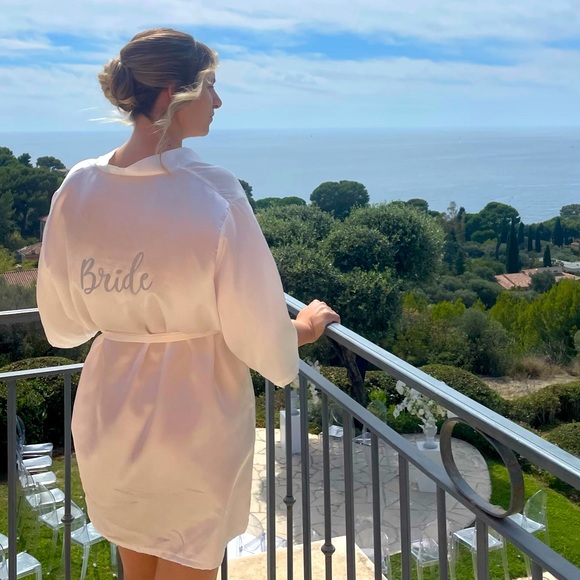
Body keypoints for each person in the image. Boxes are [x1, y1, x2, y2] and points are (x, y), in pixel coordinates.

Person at [36, 28, 339, 580]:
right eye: (211, 87)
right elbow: (255, 326)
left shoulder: (77, 186)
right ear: (174, 92)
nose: (218, 102)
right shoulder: (211, 191)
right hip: (195, 414)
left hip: (109, 411)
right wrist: (303, 326)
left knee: (137, 565)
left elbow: (62, 322)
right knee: (189, 560)